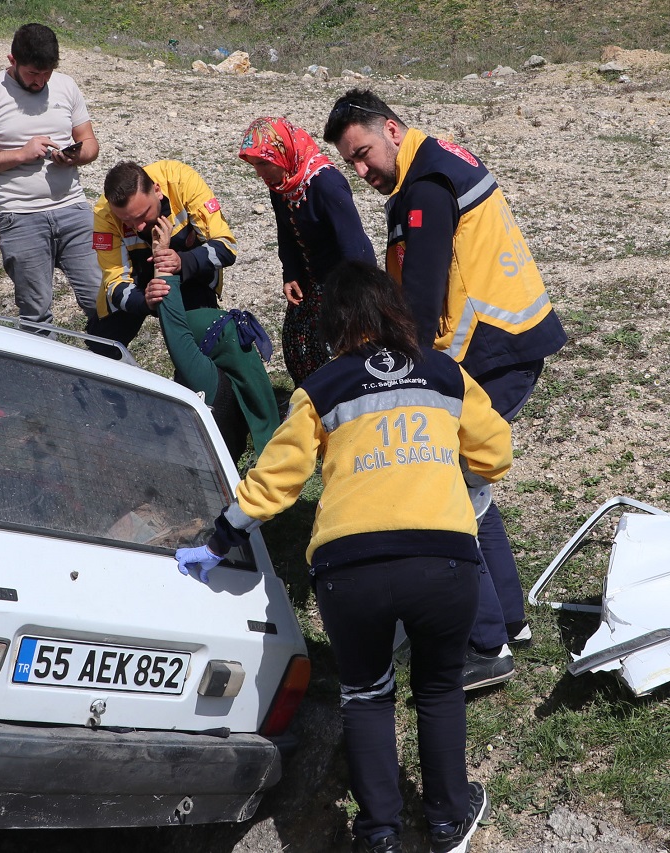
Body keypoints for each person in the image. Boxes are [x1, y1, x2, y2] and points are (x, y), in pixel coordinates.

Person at [175, 261, 510, 853]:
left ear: (336, 324)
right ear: (395, 312)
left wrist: (221, 537)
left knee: (366, 693)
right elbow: (496, 454)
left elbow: (277, 479)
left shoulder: (322, 388)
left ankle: (378, 832)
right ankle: (446, 821)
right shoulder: (445, 374)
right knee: (436, 688)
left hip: (349, 566)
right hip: (443, 559)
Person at [323, 89, 568, 691]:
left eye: (364, 153)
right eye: (350, 162)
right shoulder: (433, 169)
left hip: (490, 354)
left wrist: (406, 376)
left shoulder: (427, 190)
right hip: (508, 342)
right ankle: (507, 620)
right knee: (473, 485)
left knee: (451, 496)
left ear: (394, 130)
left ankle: (485, 648)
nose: (361, 171)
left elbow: (424, 299)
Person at [0, 23, 101, 328]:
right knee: (36, 313)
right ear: (12, 60)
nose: (40, 83)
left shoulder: (66, 86)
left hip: (74, 210)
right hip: (20, 216)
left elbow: (90, 144)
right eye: (33, 75)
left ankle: (108, 370)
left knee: (100, 299)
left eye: (46, 74)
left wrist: (74, 155)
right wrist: (21, 154)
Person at [238, 117, 376, 387]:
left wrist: (353, 300)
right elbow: (285, 233)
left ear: (284, 152)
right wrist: (290, 273)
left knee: (341, 352)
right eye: (255, 166)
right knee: (299, 346)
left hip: (345, 283)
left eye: (264, 163)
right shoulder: (282, 184)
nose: (260, 173)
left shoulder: (326, 184)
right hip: (311, 282)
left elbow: (353, 245)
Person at [148, 216, 280, 460]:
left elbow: (176, 329)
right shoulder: (241, 370)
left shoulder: (206, 380)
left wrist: (161, 256)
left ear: (207, 342)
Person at [90, 160, 238, 351]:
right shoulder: (104, 212)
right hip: (137, 282)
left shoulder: (182, 180)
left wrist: (182, 262)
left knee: (205, 347)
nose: (139, 227)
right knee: (102, 348)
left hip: (189, 275)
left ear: (157, 190)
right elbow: (115, 282)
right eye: (127, 220)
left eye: (143, 215)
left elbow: (227, 247)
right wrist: (145, 302)